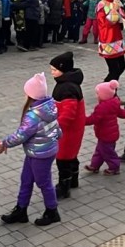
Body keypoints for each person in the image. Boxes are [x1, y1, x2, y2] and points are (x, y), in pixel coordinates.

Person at [0, 73, 61, 226]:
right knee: (26, 179)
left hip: (41, 153)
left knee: (43, 182)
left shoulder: (33, 115)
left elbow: (21, 135)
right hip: (38, 151)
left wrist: (5, 143)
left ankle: (52, 211)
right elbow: (57, 129)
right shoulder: (50, 107)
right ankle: (21, 210)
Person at [49, 52, 84, 198]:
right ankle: (73, 178)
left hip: (68, 130)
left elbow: (69, 113)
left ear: (63, 70)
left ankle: (64, 186)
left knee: (63, 158)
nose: (51, 72)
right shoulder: (67, 83)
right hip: (73, 128)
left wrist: (57, 127)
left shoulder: (67, 88)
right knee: (71, 155)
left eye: (54, 70)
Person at [83, 80, 125, 175]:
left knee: (108, 152)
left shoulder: (102, 107)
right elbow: (121, 113)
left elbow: (94, 119)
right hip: (110, 133)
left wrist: (83, 120)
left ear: (104, 95)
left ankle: (114, 167)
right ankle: (94, 165)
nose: (97, 96)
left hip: (105, 134)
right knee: (100, 151)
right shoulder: (114, 103)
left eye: (98, 94)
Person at [96, 0, 125, 81]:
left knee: (121, 67)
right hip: (108, 39)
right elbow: (106, 23)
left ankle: (110, 87)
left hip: (117, 38)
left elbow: (122, 19)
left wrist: (121, 18)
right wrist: (114, 10)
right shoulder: (101, 5)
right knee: (114, 70)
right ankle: (107, 88)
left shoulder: (116, 2)